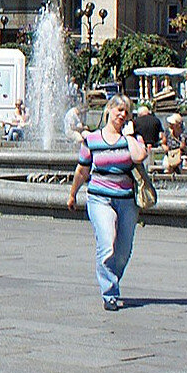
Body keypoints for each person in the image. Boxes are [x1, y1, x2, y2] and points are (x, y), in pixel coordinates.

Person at [66, 96, 147, 311]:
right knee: (107, 240)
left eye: (126, 112)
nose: (122, 115)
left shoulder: (131, 138)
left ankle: (112, 277)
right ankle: (109, 292)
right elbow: (82, 169)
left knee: (123, 250)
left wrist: (129, 136)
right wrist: (73, 194)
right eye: (119, 110)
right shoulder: (92, 139)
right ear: (109, 110)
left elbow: (140, 156)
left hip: (127, 200)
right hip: (99, 198)